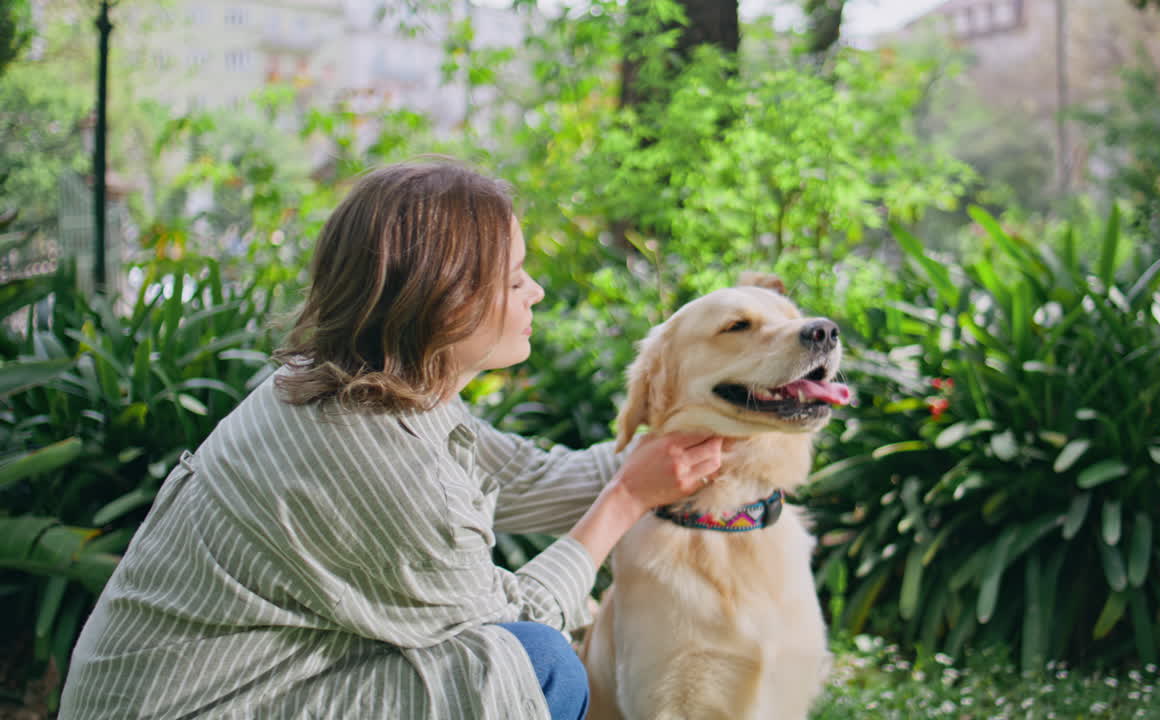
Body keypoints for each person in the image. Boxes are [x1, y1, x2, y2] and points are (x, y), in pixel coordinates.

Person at [60, 160, 724, 719]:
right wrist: (624, 501)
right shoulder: (366, 453)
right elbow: (514, 615)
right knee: (533, 667)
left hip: (233, 682)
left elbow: (520, 479)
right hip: (192, 707)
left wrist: (689, 439)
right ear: (447, 298)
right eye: (516, 278)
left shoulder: (378, 385)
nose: (537, 292)